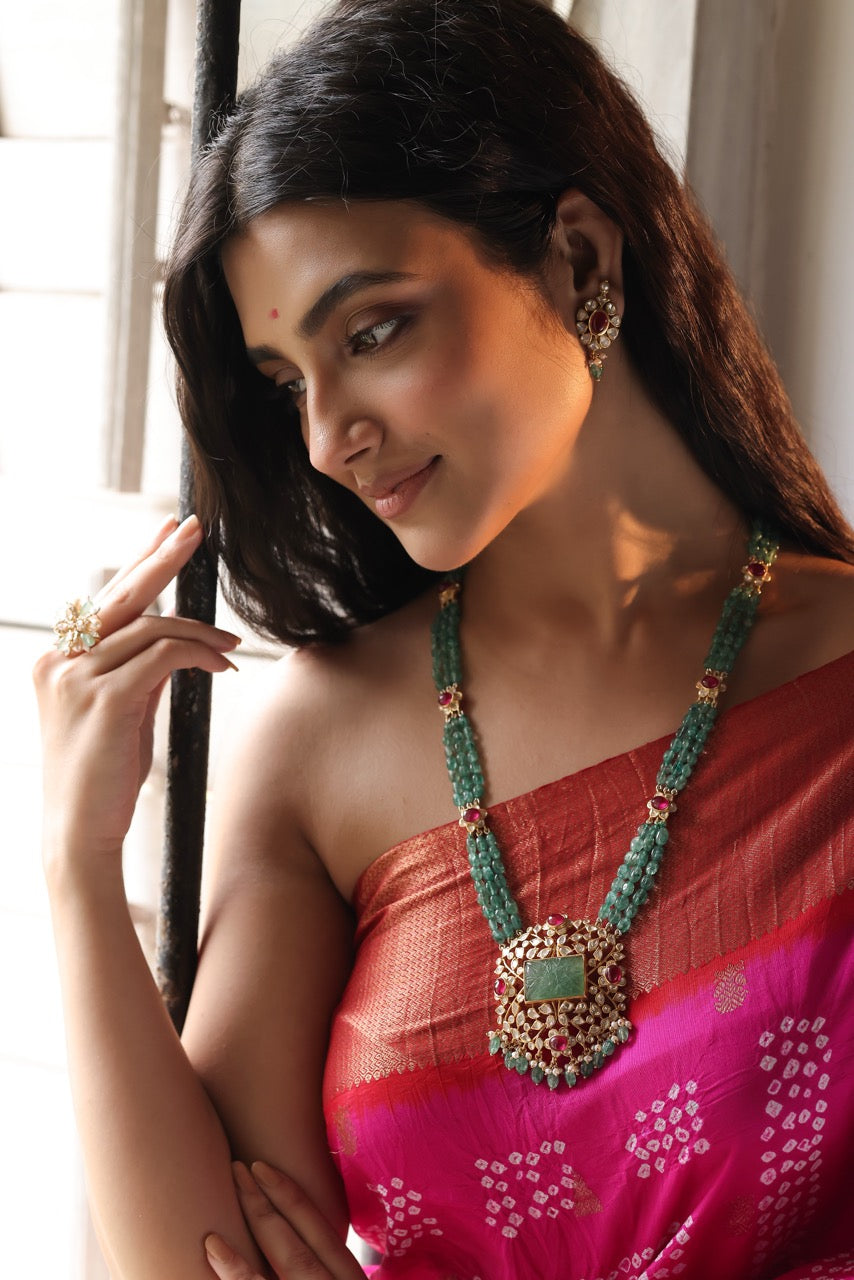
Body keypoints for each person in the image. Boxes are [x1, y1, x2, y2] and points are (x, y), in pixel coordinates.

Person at [33, 2, 854, 1278]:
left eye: (370, 333)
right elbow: (204, 1257)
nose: (325, 437)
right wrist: (79, 867)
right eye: (288, 381)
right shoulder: (325, 740)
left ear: (579, 261)